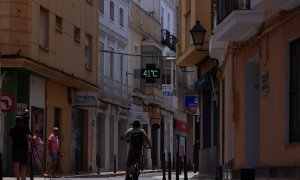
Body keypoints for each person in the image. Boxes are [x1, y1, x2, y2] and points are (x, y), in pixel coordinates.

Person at [9, 115, 32, 180]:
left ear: (15, 122)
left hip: (15, 149)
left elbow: (11, 140)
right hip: (24, 149)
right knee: (23, 165)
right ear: (21, 121)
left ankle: (18, 178)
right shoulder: (25, 129)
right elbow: (28, 138)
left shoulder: (12, 130)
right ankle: (22, 178)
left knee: (16, 163)